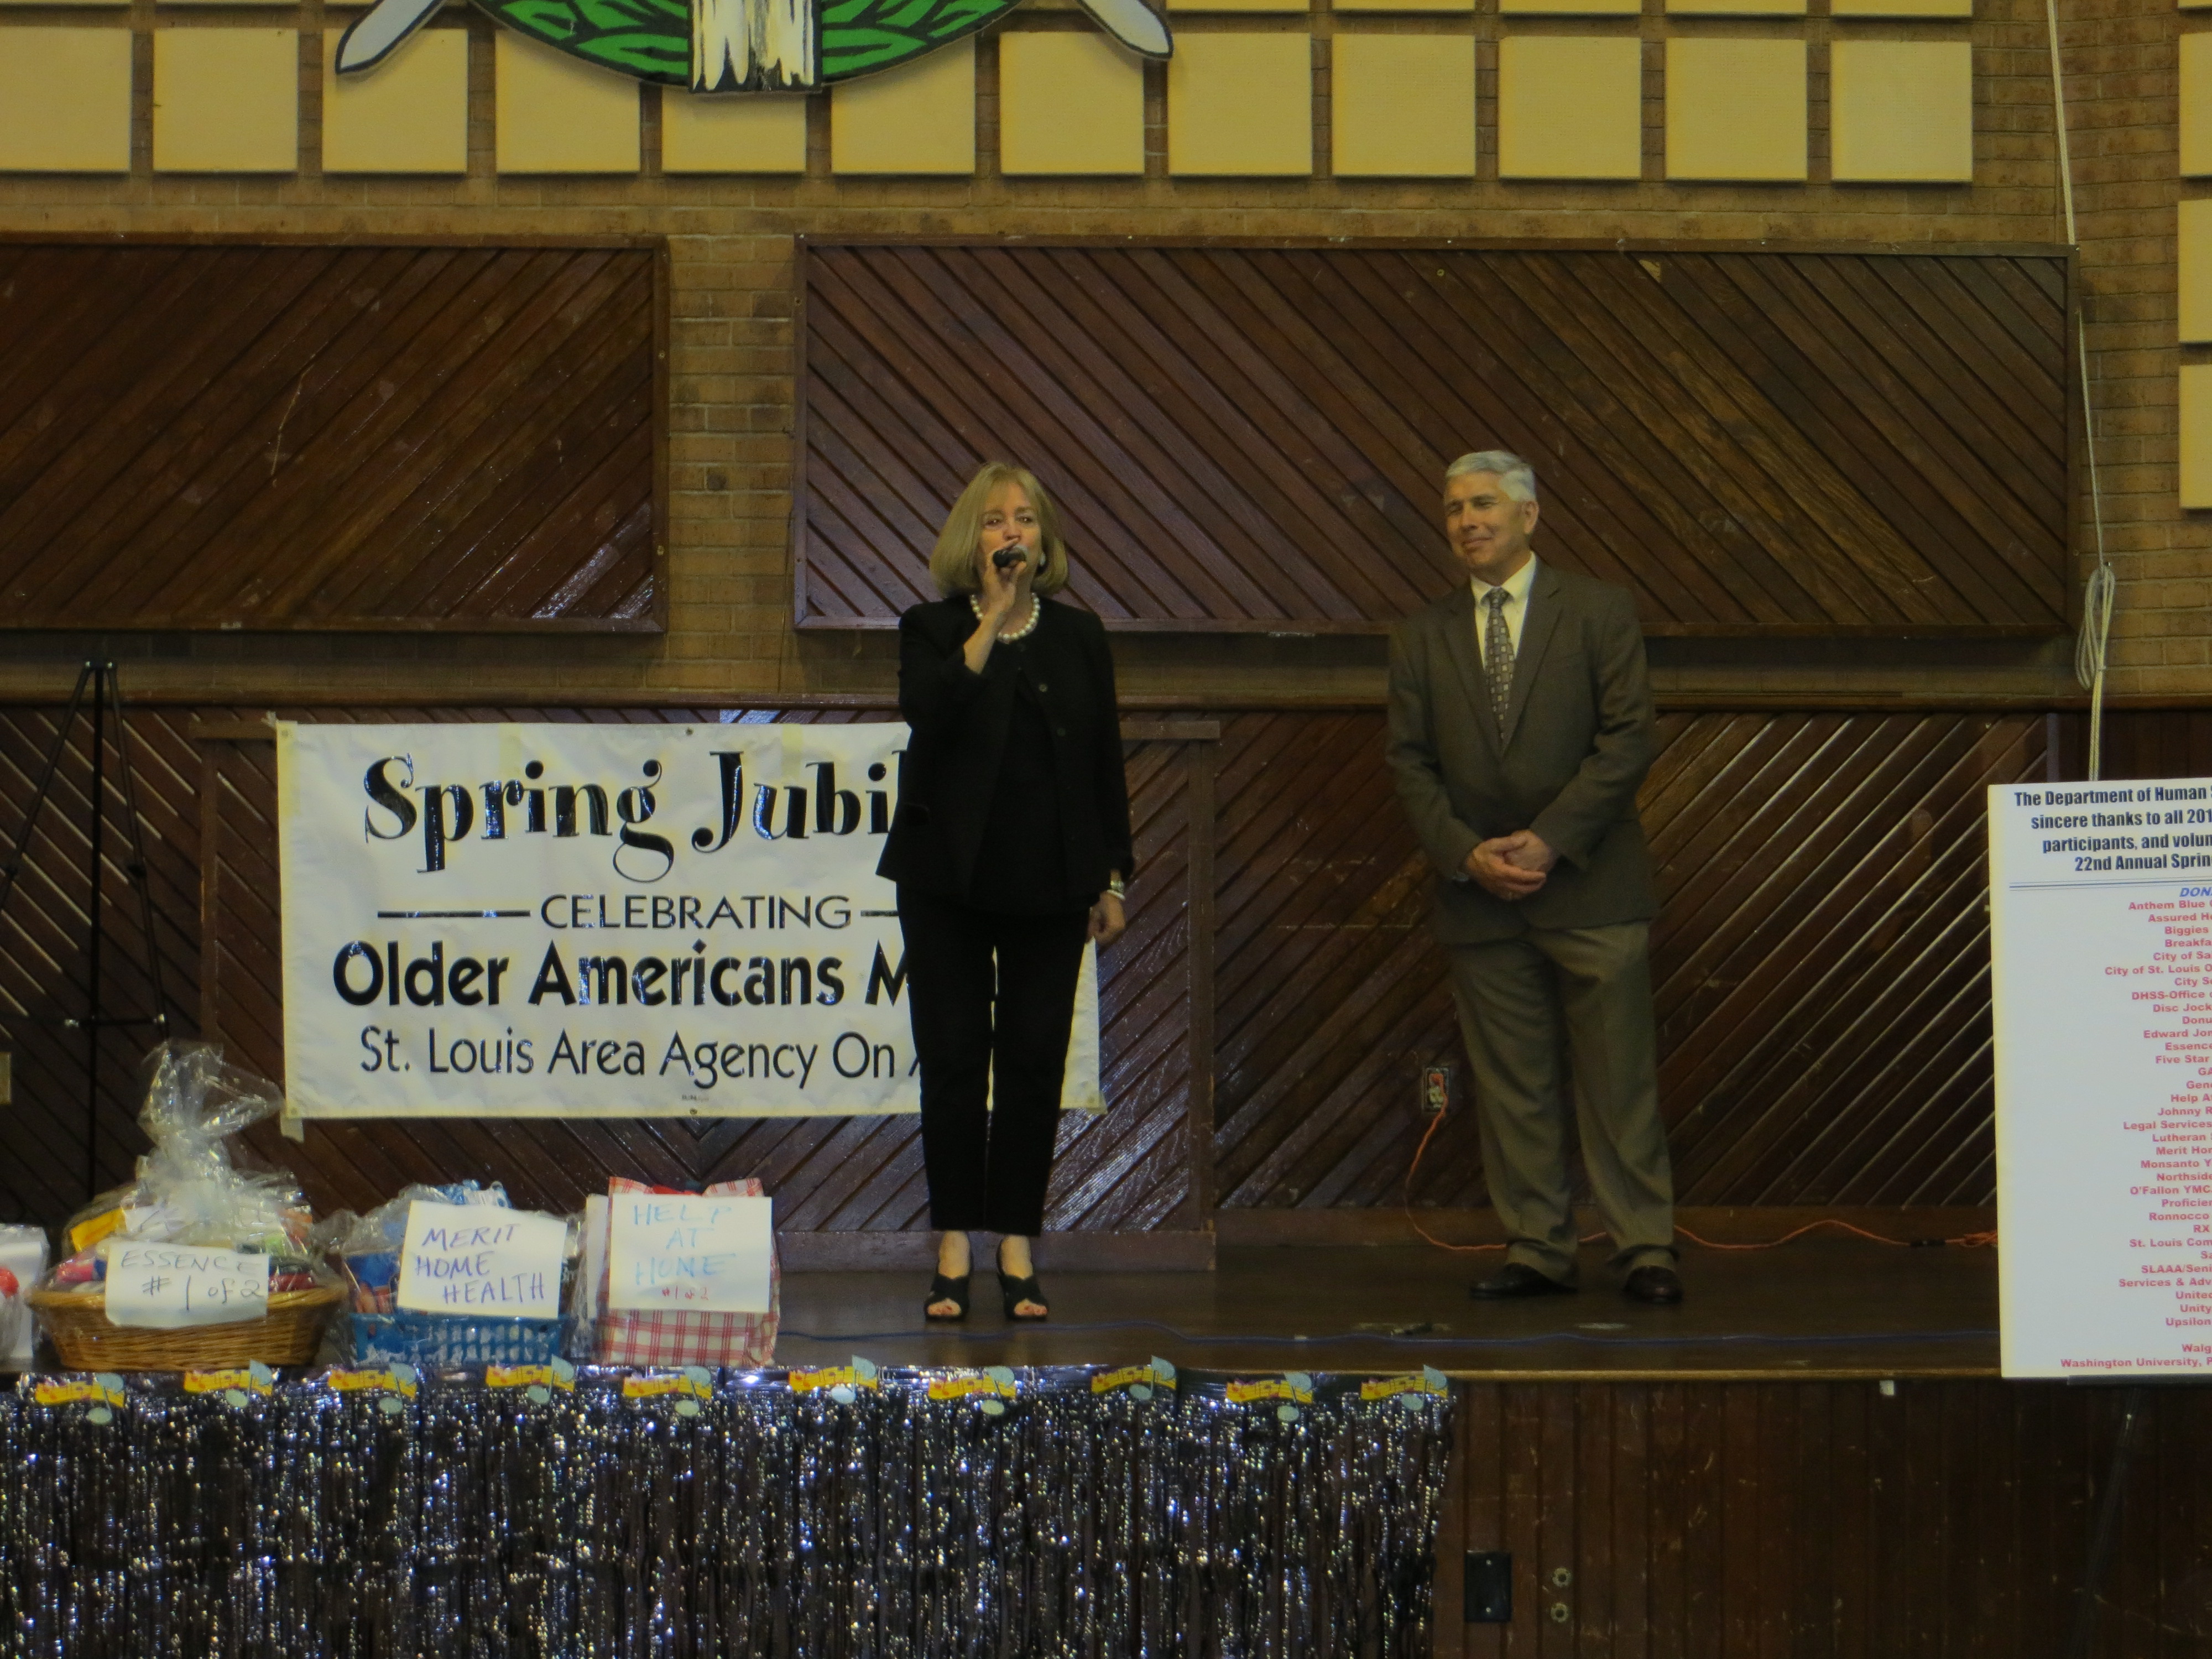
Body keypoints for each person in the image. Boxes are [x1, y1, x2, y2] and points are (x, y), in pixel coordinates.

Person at [1385, 450, 1683, 1306]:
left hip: (1590, 882)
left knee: (1618, 1078)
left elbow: (1628, 737)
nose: (1467, 521)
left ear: (1529, 516)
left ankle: (1644, 1247)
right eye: (1452, 510)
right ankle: (1539, 1248)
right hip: (1479, 894)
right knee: (1513, 1085)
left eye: (1483, 504)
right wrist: (1464, 852)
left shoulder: (1598, 611)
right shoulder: (1421, 635)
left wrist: (1550, 840)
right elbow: (1408, 763)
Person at [878, 461, 1133, 1323]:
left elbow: (1103, 762)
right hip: (945, 878)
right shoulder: (931, 626)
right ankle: (954, 1247)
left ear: (1045, 537)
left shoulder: (1080, 636)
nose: (1010, 533)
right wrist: (989, 619)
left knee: (1031, 1064)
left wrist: (1111, 875)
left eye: (1024, 519)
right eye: (994, 521)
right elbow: (932, 712)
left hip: (1051, 878)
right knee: (953, 1062)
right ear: (971, 539)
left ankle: (1017, 1246)